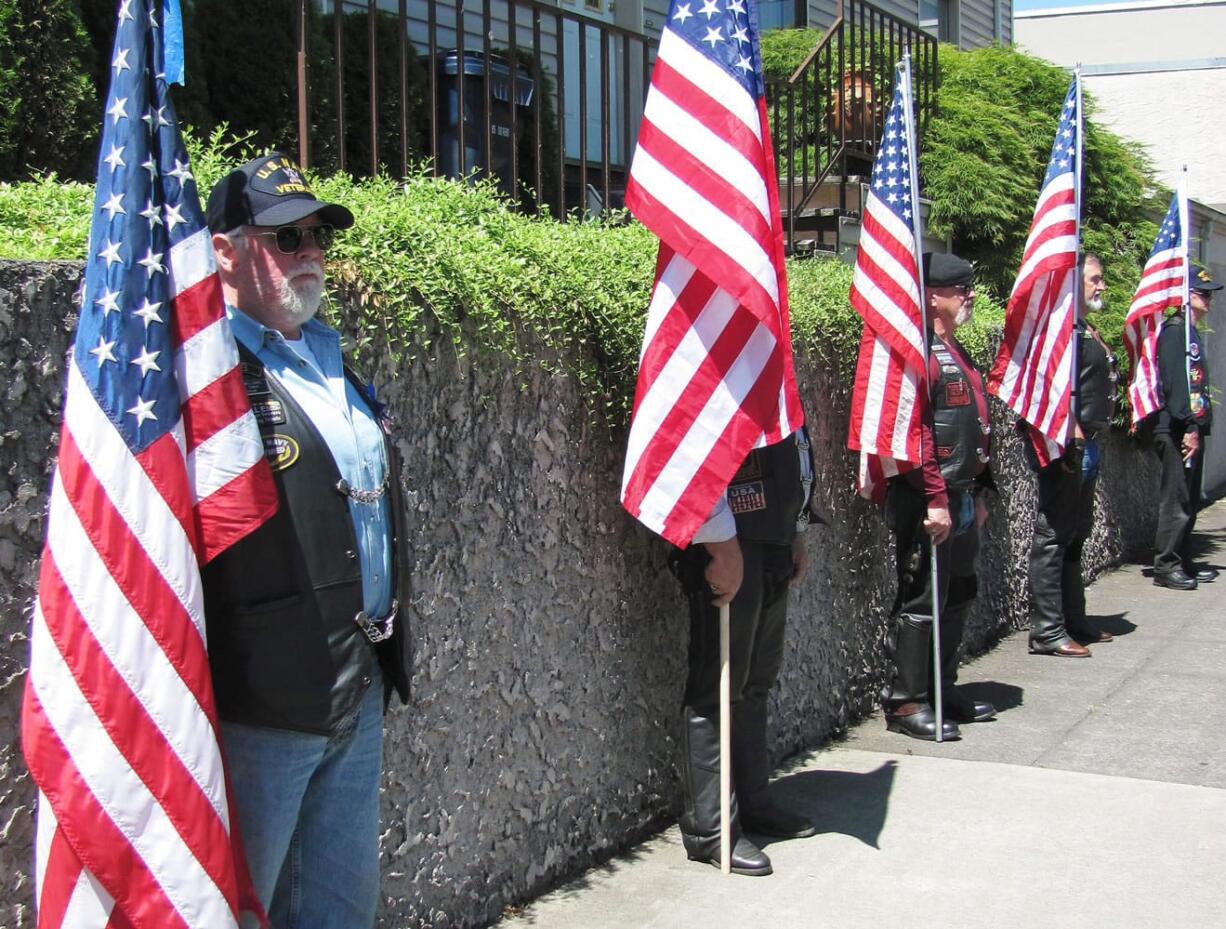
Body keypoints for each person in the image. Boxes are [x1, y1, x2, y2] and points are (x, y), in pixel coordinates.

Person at [202, 153, 410, 928]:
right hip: (263, 703)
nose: (311, 252)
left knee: (336, 912)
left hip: (354, 689)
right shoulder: (208, 368)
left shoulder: (328, 353)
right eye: (286, 239)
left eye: (317, 234)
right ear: (226, 249)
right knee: (239, 910)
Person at [670, 427, 819, 876]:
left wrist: (795, 527)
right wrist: (718, 541)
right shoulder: (723, 357)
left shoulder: (769, 363)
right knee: (718, 685)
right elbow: (691, 442)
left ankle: (754, 802)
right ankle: (712, 829)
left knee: (756, 680)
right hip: (730, 538)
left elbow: (794, 442)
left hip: (770, 536)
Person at [882, 252, 996, 742]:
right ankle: (908, 702)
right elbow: (916, 433)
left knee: (957, 594)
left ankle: (940, 685)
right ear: (931, 296)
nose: (968, 295)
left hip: (963, 493)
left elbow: (975, 423)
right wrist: (935, 498)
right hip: (930, 497)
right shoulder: (920, 351)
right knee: (923, 599)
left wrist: (984, 488)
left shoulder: (954, 347)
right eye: (958, 288)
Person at [1027, 254, 1119, 656]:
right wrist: (1071, 436)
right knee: (1054, 535)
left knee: (1075, 535)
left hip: (1088, 444)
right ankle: (1047, 630)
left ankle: (1073, 619)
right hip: (1068, 444)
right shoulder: (1060, 331)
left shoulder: (1084, 328)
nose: (1101, 286)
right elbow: (1050, 387)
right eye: (1094, 279)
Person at [1151, 265, 1221, 590]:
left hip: (1192, 428)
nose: (1208, 300)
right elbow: (1176, 387)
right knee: (1176, 500)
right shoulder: (1174, 332)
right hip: (1177, 430)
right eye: (1202, 293)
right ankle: (1166, 565)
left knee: (1190, 500)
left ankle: (1183, 558)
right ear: (1186, 296)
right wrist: (1190, 426)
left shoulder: (1189, 332)